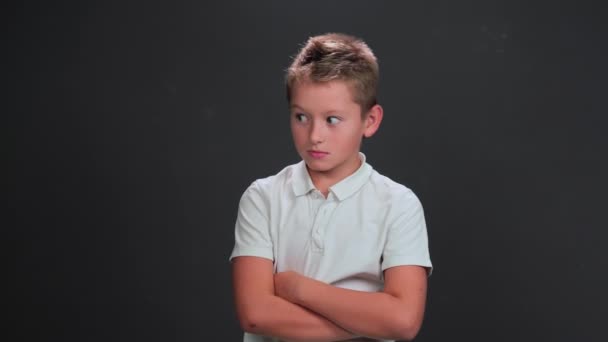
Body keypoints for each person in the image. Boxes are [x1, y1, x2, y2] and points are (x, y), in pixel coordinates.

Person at [229, 33, 432, 342]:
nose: (314, 136)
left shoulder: (398, 204)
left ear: (370, 120)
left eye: (332, 119)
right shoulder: (263, 197)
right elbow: (256, 315)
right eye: (301, 117)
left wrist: (297, 287)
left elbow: (403, 321)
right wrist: (368, 323)